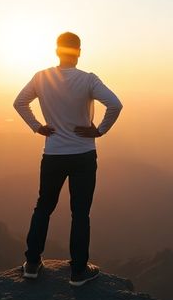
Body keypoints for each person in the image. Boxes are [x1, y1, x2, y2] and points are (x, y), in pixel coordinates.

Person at [13, 32, 123, 286]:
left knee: (44, 206)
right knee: (80, 213)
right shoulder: (88, 80)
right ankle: (78, 271)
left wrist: (37, 126)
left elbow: (19, 102)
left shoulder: (42, 78)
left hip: (53, 154)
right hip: (83, 154)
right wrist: (100, 130)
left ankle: (31, 263)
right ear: (79, 52)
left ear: (57, 51)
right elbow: (115, 105)